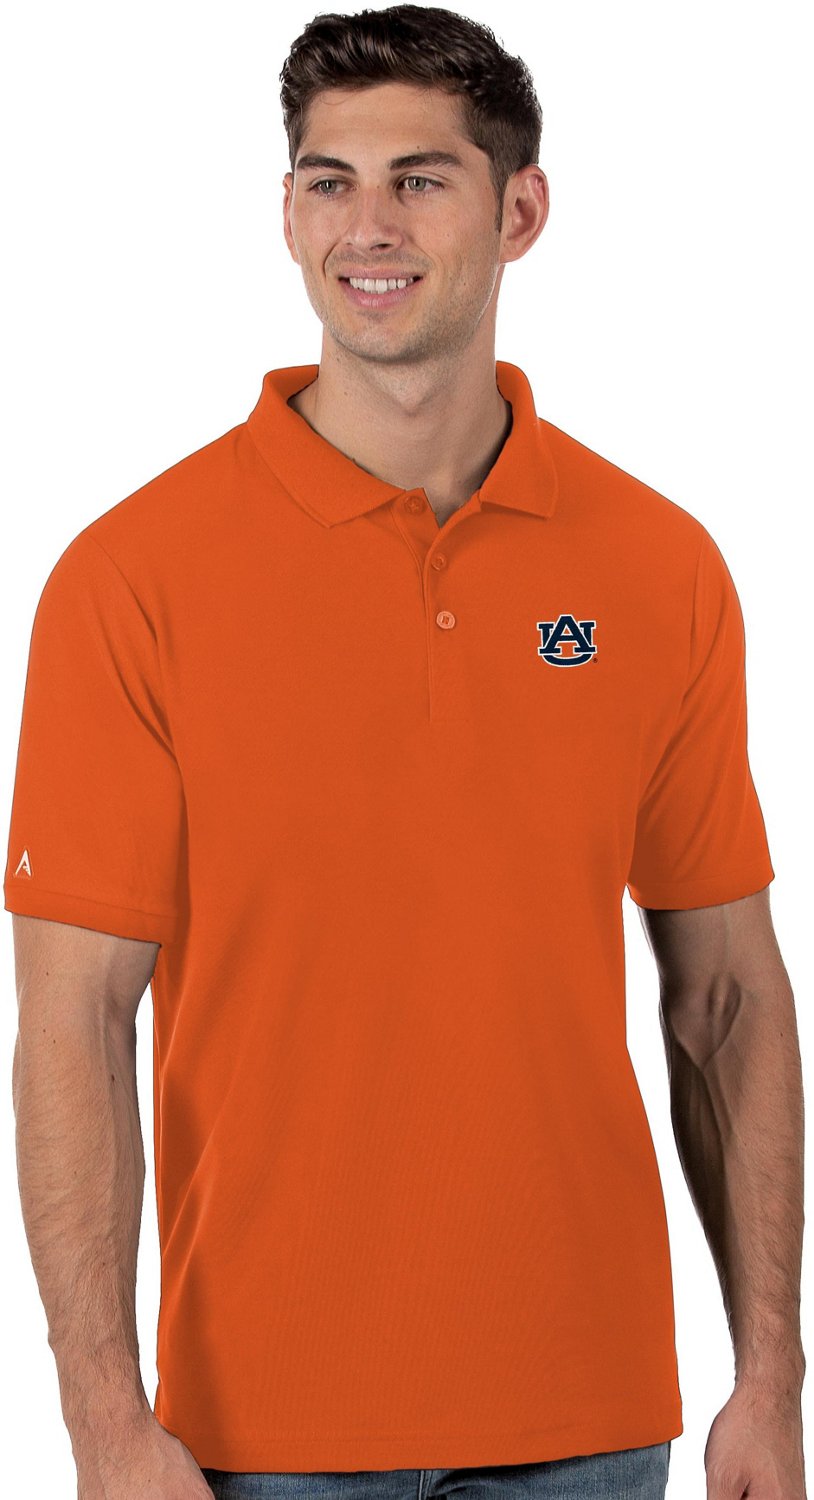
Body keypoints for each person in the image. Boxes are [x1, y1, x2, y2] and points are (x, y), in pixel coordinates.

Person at [4, 5, 806, 1498]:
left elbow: (728, 1000)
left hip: (591, 1420)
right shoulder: (133, 578)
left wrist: (771, 1380)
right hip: (257, 1437)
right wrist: (104, 1425)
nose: (365, 227)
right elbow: (71, 1025)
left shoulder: (659, 567)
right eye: (329, 182)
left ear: (520, 212)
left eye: (418, 180)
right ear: (287, 214)